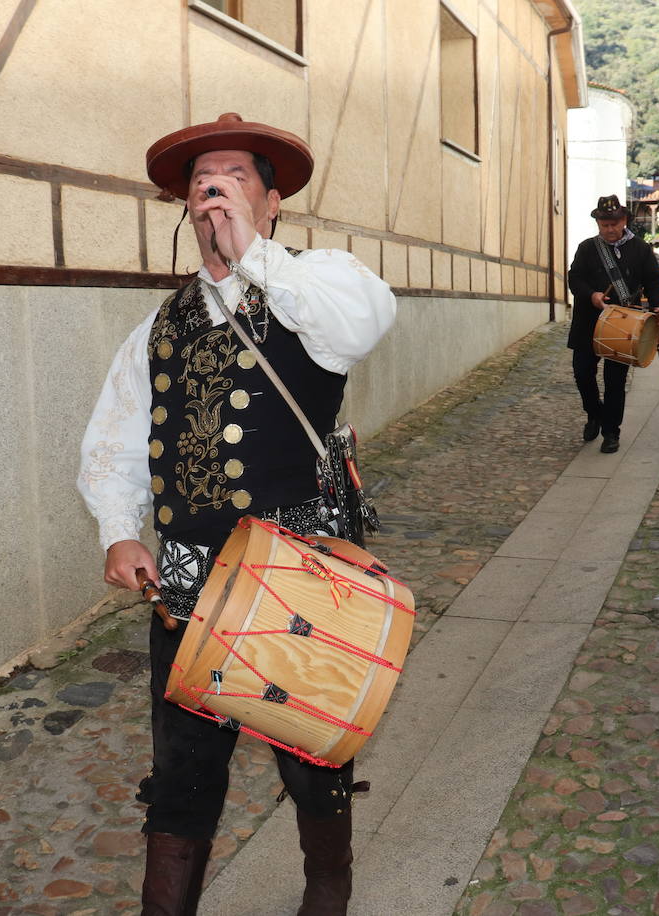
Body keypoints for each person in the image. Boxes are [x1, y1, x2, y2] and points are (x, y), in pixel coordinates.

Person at [77, 112, 396, 915]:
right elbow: (116, 432)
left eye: (235, 178)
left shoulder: (316, 281)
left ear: (272, 200)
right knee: (182, 764)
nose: (213, 190)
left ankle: (327, 889)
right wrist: (119, 528)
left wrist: (255, 255)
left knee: (310, 753)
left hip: (300, 565)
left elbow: (361, 325)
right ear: (184, 206)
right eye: (200, 181)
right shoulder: (161, 323)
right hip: (188, 568)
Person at [567, 194, 659, 453]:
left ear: (624, 220)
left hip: (624, 325)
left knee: (615, 381)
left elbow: (654, 281)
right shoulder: (587, 248)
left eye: (614, 223)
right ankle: (594, 413)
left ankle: (611, 432)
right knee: (582, 374)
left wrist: (657, 305)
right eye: (604, 224)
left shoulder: (641, 250)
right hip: (588, 323)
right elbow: (575, 279)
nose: (609, 229)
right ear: (598, 223)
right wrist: (592, 295)